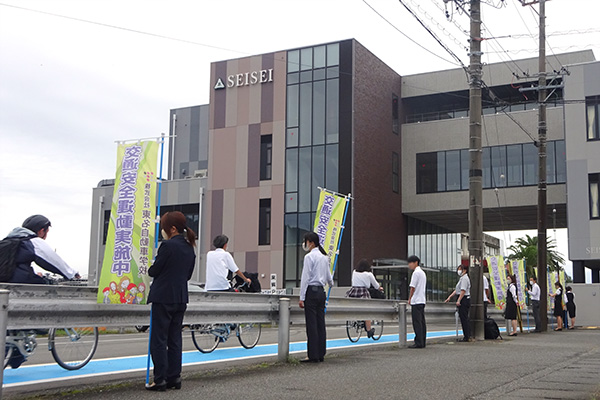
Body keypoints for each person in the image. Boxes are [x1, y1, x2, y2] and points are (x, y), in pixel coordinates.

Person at [146, 211, 197, 391]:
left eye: (164, 228)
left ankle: (159, 379)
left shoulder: (167, 246)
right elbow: (188, 275)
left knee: (159, 339)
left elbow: (154, 271)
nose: (163, 232)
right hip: (181, 297)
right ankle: (174, 377)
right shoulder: (189, 247)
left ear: (172, 229)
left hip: (163, 297)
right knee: (174, 338)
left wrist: (151, 265)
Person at [2, 214, 80, 284]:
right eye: (47, 232)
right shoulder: (33, 241)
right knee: (48, 284)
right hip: (20, 282)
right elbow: (53, 261)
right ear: (42, 231)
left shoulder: (8, 241)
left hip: (5, 281)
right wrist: (72, 274)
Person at [299, 231, 333, 363]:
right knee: (320, 324)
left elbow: (305, 278)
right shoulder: (324, 257)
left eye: (306, 241)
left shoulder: (309, 257)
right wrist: (329, 284)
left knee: (311, 325)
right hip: (321, 292)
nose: (305, 244)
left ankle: (312, 355)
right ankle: (321, 353)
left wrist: (302, 297)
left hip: (311, 292)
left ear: (311, 243)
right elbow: (330, 280)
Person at [345, 259, 383, 338]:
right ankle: (368, 330)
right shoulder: (369, 274)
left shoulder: (354, 272)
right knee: (367, 311)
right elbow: (376, 286)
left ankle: (356, 320)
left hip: (353, 291)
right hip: (363, 292)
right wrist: (380, 288)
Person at [445, 265, 471, 342]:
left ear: (465, 270)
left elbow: (463, 291)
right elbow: (457, 290)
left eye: (460, 269)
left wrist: (459, 300)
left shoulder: (465, 279)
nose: (459, 271)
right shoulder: (462, 278)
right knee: (463, 318)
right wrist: (450, 296)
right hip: (463, 298)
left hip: (464, 299)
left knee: (464, 318)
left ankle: (467, 336)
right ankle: (467, 335)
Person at [408, 255, 427, 348]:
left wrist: (410, 298)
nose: (409, 265)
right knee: (422, 322)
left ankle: (418, 342)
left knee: (417, 322)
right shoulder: (422, 273)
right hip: (422, 300)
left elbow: (412, 287)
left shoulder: (416, 273)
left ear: (415, 262)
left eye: (410, 263)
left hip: (416, 300)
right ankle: (422, 341)